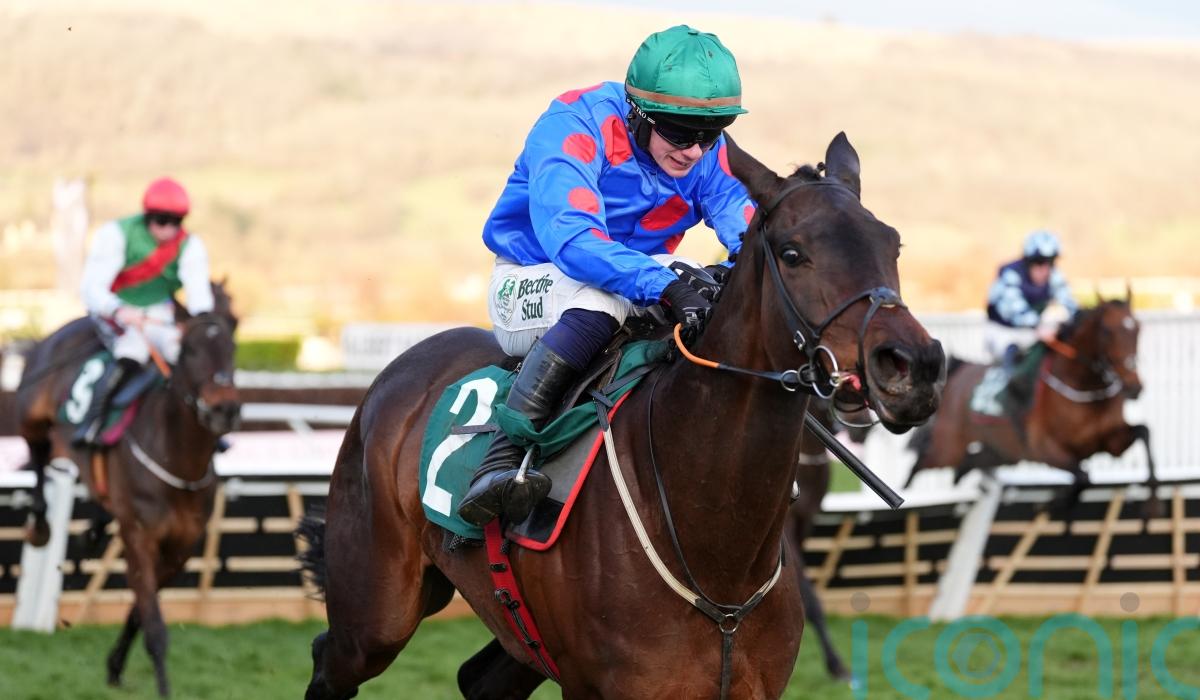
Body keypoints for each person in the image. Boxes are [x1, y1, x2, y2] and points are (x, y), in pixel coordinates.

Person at [457, 25, 755, 526]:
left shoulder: (705, 151)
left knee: (714, 291)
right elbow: (573, 239)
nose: (694, 152)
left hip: (629, 279)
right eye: (679, 133)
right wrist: (666, 285)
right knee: (604, 299)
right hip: (533, 276)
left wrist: (722, 278)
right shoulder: (574, 124)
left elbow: (752, 236)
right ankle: (503, 455)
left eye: (710, 134)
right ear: (637, 112)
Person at [72, 177, 214, 448]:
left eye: (176, 221)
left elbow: (200, 298)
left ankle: (204, 426)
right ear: (148, 216)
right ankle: (94, 421)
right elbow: (92, 289)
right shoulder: (116, 234)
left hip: (158, 313)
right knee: (133, 349)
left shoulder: (190, 246)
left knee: (184, 353)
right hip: (114, 310)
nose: (168, 228)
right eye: (162, 220)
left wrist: (200, 327)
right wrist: (118, 310)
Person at [984, 229, 1077, 410]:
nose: (1045, 269)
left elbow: (1070, 304)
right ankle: (1006, 395)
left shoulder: (1054, 276)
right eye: (1039, 262)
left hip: (1035, 331)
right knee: (1013, 348)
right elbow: (1015, 311)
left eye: (1050, 262)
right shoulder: (1010, 273)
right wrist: (1040, 326)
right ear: (1028, 261)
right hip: (1003, 331)